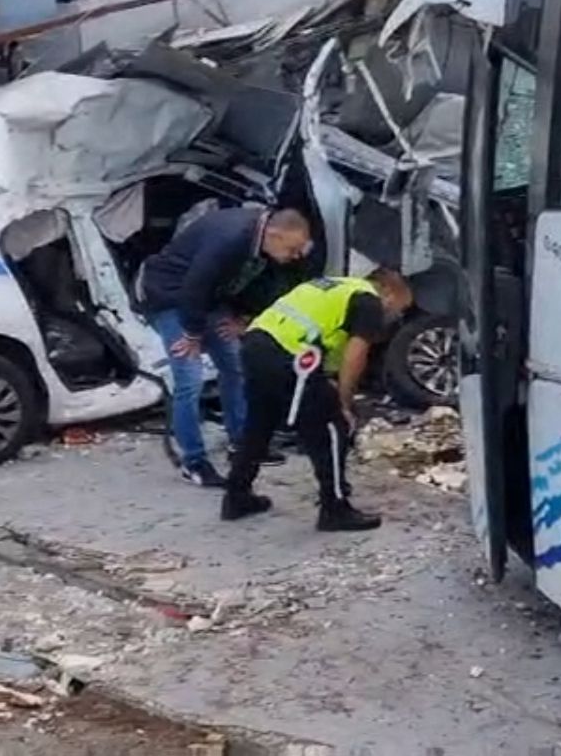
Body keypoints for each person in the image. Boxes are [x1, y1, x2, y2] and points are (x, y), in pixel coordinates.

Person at [221, 269, 415, 533]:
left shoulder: (335, 285)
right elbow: (355, 357)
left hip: (256, 345)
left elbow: (324, 341)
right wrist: (344, 404)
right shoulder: (368, 300)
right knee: (333, 427)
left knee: (259, 424)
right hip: (288, 356)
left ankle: (236, 496)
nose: (395, 317)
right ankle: (335, 509)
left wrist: (329, 384)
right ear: (389, 294)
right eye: (400, 309)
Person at [140, 206, 313, 487]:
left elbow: (268, 286)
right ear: (274, 234)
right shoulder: (229, 239)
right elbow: (195, 285)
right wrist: (192, 333)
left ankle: (242, 442)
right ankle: (193, 461)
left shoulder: (265, 242)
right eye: (292, 249)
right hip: (170, 294)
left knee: (235, 364)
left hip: (211, 297)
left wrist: (243, 318)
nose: (294, 256)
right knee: (189, 377)